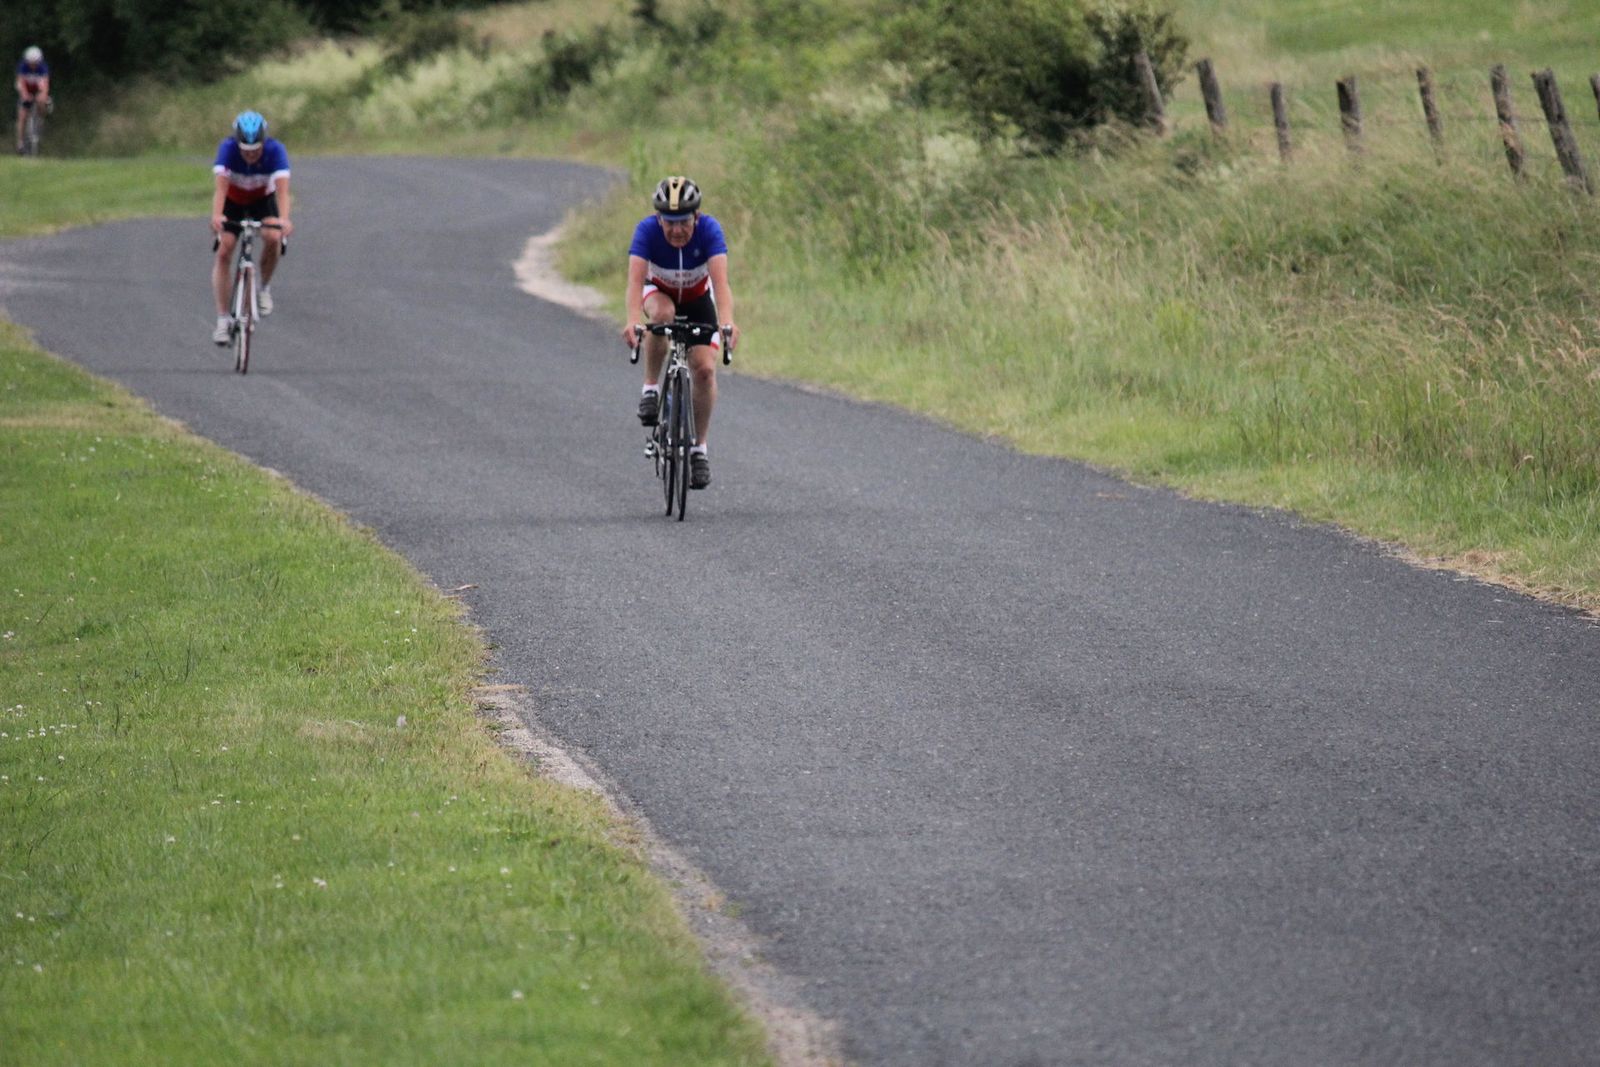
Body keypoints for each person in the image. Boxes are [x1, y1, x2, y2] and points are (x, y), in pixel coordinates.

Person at [621, 176, 739, 490]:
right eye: (669, 222)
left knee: (704, 371)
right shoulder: (646, 231)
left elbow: (721, 284)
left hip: (699, 299)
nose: (676, 230)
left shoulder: (709, 230)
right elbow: (635, 282)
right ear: (658, 218)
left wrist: (728, 322)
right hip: (659, 293)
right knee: (662, 315)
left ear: (696, 217)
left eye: (684, 222)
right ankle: (650, 389)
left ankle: (699, 450)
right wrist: (633, 320)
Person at [209, 110, 292, 344]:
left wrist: (284, 220)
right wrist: (217, 216)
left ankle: (264, 288)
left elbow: (283, 192)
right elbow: (220, 189)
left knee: (273, 237)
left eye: (256, 150)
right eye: (246, 151)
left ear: (264, 143)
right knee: (224, 249)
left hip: (261, 201)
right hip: (233, 201)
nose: (251, 155)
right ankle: (223, 319)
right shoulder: (227, 149)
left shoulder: (276, 150)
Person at [15, 46, 50, 155]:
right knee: (22, 116)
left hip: (38, 91)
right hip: (26, 91)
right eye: (31, 62)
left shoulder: (43, 67)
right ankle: (20, 142)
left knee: (42, 101)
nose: (33, 65)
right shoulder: (23, 67)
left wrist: (43, 95)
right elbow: (21, 83)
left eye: (35, 63)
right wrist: (25, 95)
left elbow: (45, 84)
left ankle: (41, 119)